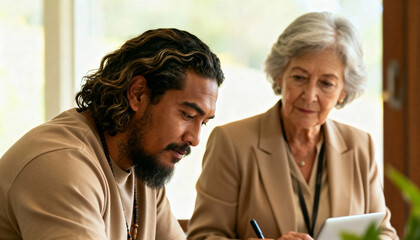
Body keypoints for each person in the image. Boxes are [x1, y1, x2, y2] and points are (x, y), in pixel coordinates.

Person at [187, 12, 398, 240]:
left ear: (343, 91)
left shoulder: (360, 145)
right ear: (279, 76)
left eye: (326, 83)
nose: (310, 96)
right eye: (299, 78)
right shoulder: (231, 142)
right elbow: (203, 236)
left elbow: (384, 233)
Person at [0, 28, 224, 240]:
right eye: (187, 115)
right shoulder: (61, 164)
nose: (194, 139)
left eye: (203, 122)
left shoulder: (144, 168)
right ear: (137, 94)